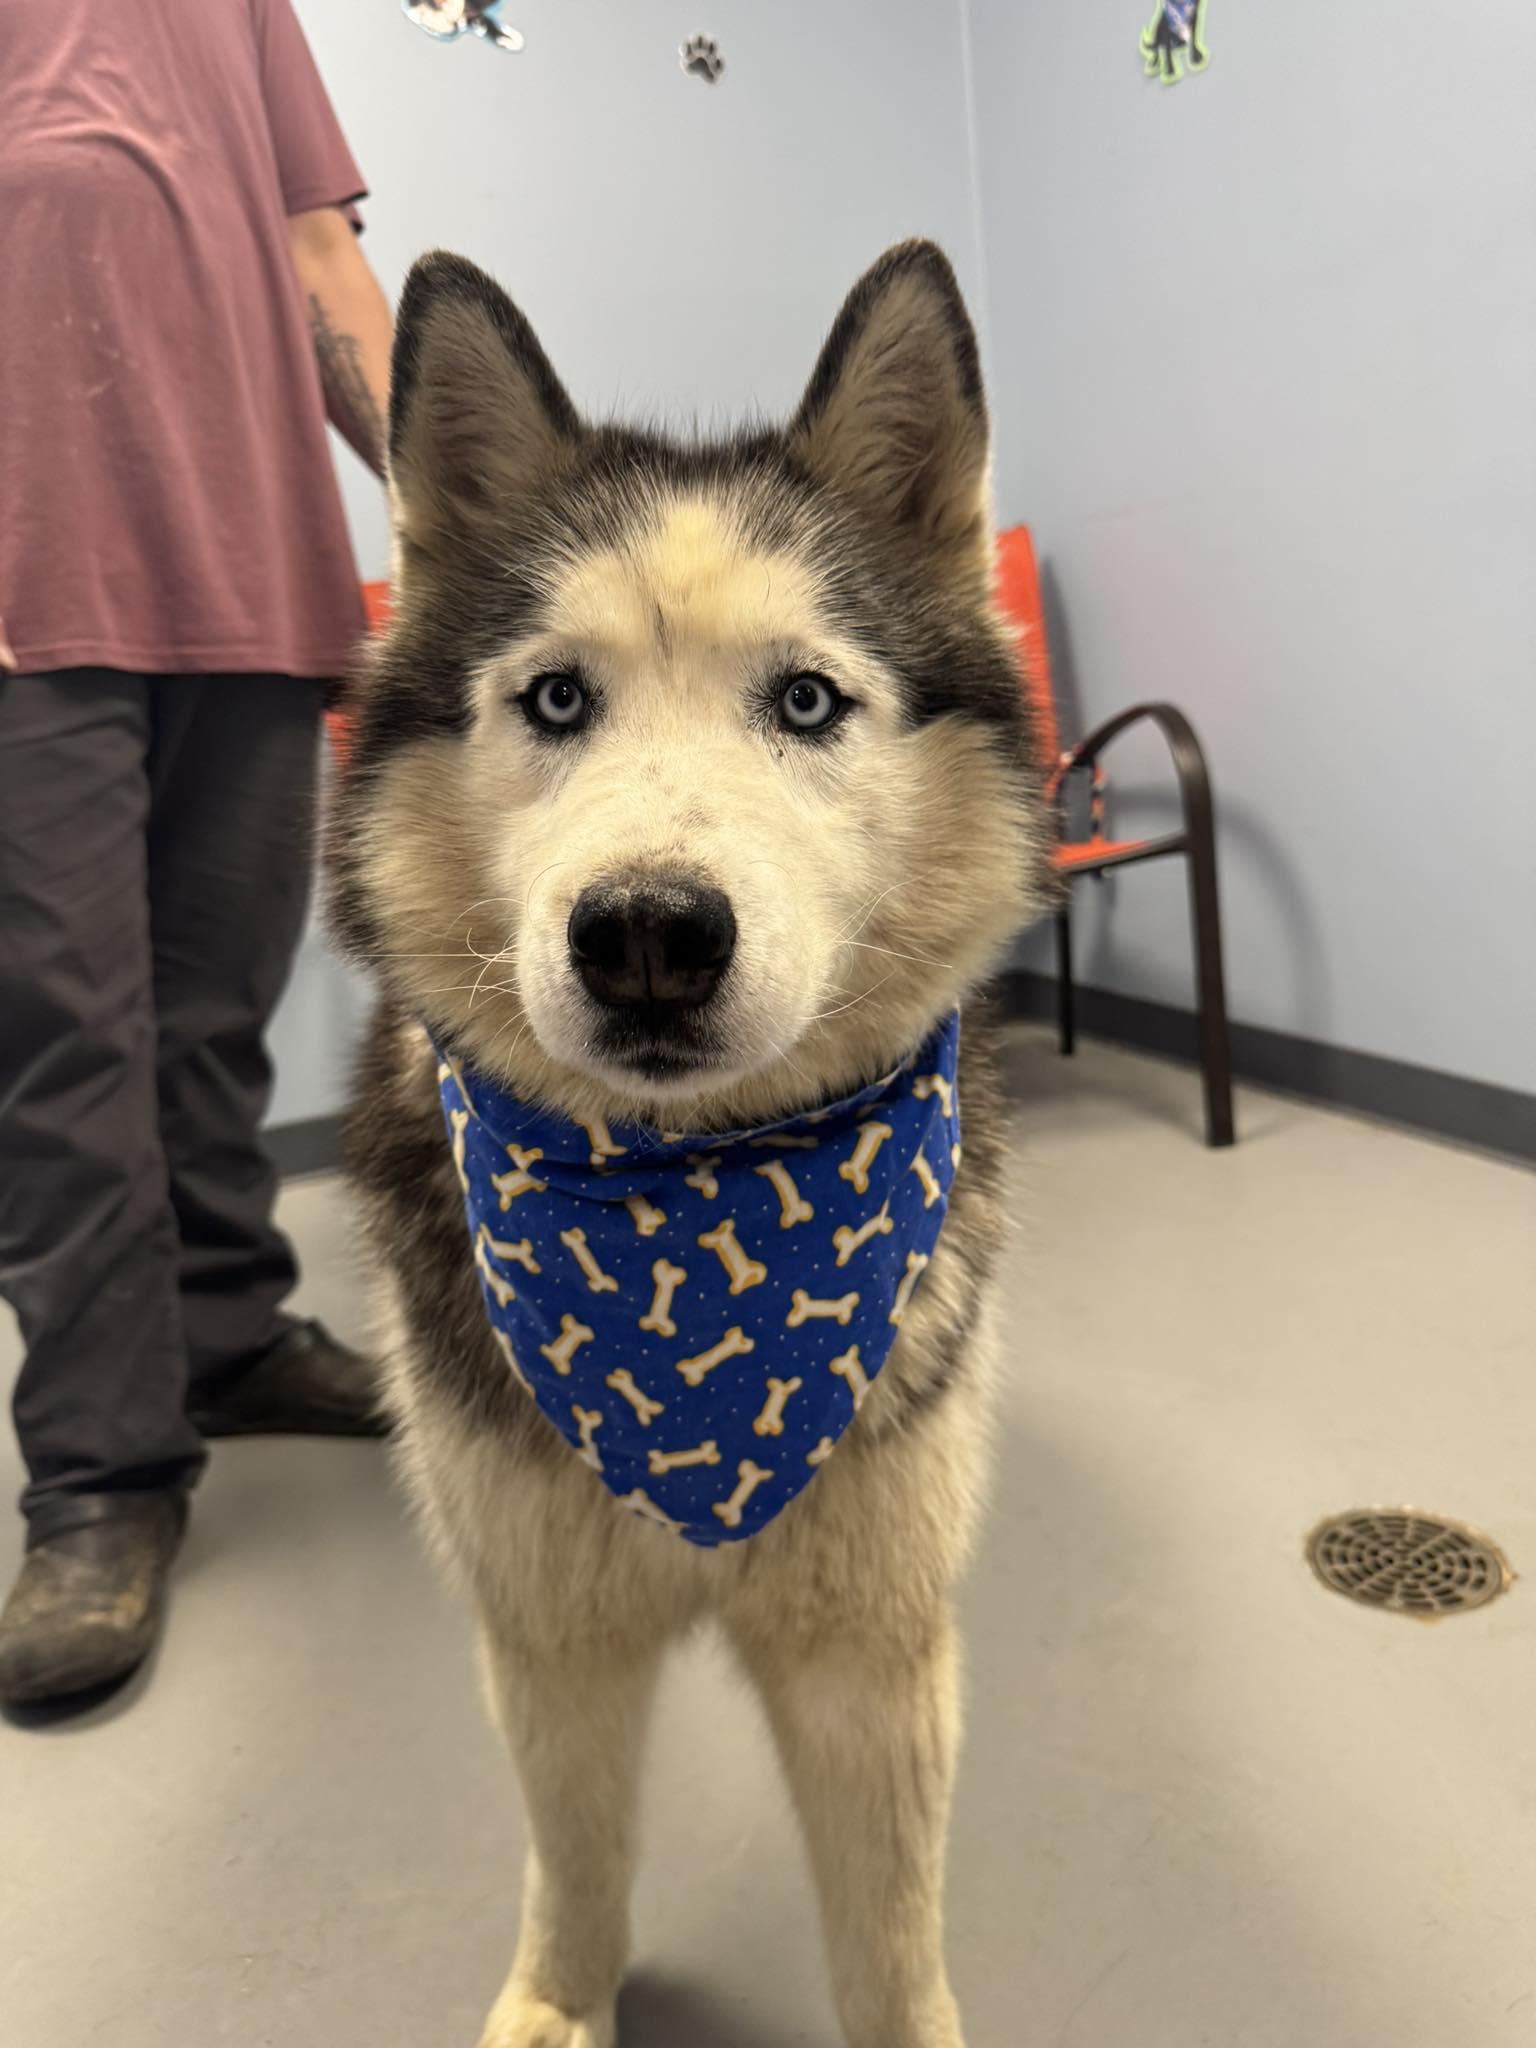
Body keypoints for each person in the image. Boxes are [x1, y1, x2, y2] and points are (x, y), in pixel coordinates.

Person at [0, 0, 394, 1708]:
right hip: (25, 584)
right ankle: (100, 1474)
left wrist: (467, 497)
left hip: (252, 560)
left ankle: (229, 1337)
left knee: (216, 1002)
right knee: (66, 1042)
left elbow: (319, 254)